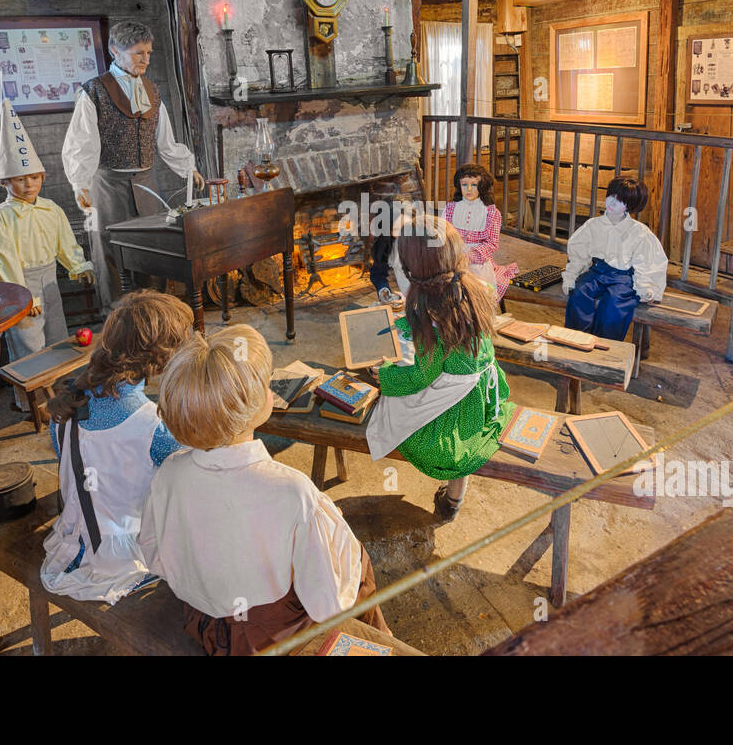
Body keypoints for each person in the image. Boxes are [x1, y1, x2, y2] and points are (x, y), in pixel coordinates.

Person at [140, 325, 392, 655]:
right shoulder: (292, 490)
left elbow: (155, 556)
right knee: (355, 559)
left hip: (205, 622)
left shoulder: (170, 470)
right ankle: (382, 639)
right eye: (264, 383)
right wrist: (333, 532)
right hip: (267, 638)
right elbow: (326, 604)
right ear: (253, 405)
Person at [40, 289, 194, 605]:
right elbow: (184, 482)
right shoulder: (152, 425)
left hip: (76, 542)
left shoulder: (66, 406)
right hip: (126, 558)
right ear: (161, 358)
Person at [365, 217, 514, 520]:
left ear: (410, 269)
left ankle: (450, 498)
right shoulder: (479, 287)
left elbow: (423, 376)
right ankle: (453, 500)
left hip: (453, 402)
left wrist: (384, 376)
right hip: (482, 394)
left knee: (390, 415)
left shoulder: (429, 312)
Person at [62, 20, 204, 306]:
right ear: (116, 51)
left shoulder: (152, 91)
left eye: (149, 53)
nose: (146, 60)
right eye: (139, 53)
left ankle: (157, 315)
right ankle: (118, 322)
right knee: (112, 253)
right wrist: (80, 183)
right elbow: (81, 144)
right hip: (108, 187)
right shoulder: (94, 92)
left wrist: (188, 168)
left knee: (153, 249)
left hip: (146, 184)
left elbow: (166, 142)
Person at [0, 98, 94, 363]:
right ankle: (34, 401)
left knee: (57, 337)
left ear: (42, 178)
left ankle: (58, 392)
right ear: (5, 182)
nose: (28, 184)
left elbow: (64, 243)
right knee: (28, 343)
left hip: (50, 281)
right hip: (21, 285)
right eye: (20, 179)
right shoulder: (1, 218)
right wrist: (22, 298)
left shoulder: (50, 209)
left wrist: (78, 265)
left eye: (34, 178)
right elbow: (4, 262)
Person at [562, 176, 668, 341]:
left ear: (630, 206)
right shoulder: (593, 225)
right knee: (580, 292)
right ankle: (576, 341)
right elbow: (578, 253)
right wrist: (572, 275)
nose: (611, 203)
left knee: (615, 303)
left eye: (619, 201)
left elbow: (648, 261)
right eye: (611, 196)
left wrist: (646, 287)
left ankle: (604, 346)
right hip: (597, 271)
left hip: (622, 277)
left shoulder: (639, 232)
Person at [441, 163, 517, 305]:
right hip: (452, 258)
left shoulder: (491, 212)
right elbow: (443, 235)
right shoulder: (451, 209)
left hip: (477, 263)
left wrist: (469, 257)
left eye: (474, 185)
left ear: (481, 187)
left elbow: (492, 244)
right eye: (464, 185)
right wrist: (451, 255)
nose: (468, 189)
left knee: (476, 298)